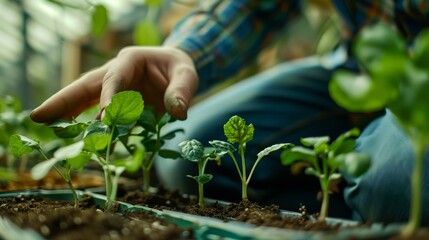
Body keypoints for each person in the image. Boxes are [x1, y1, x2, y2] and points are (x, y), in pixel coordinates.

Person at [30, 0, 429, 224]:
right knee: (188, 155)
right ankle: (342, 194)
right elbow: (259, 8)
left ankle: (370, 181)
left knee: (393, 188)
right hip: (359, 67)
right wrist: (183, 52)